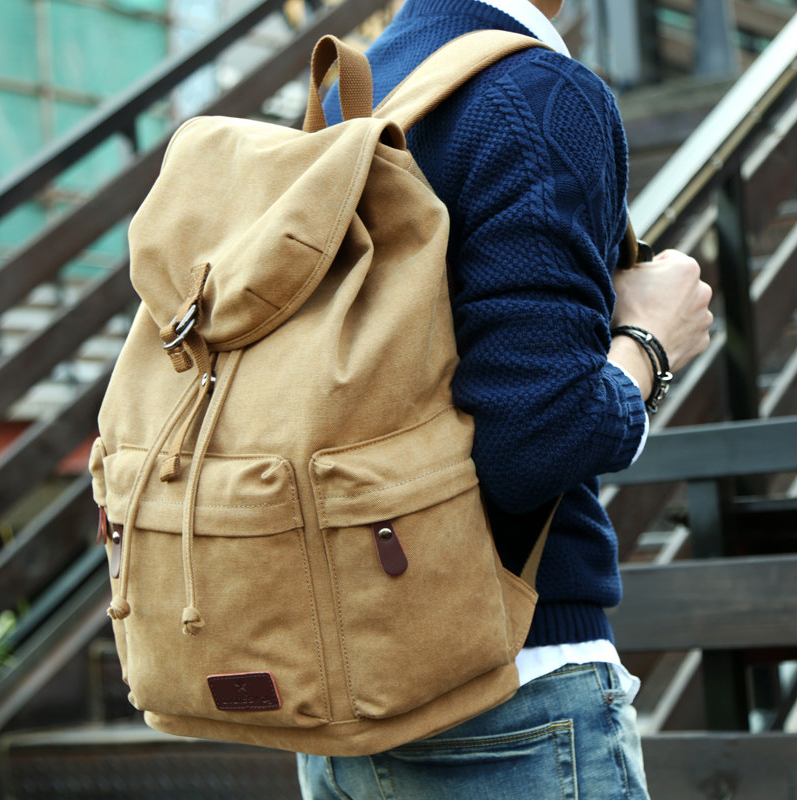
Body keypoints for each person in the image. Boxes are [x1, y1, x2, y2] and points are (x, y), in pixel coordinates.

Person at [299, 0, 713, 797]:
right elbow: (537, 441)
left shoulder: (352, 90)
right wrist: (652, 343)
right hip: (515, 689)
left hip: (346, 697)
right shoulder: (537, 92)